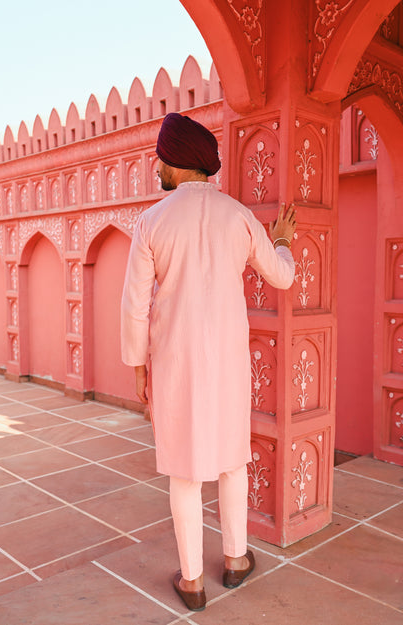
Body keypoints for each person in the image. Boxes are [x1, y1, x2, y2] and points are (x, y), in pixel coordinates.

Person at [121, 112, 296, 612]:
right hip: (227, 363)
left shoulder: (152, 221)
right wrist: (282, 237)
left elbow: (134, 303)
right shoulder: (237, 215)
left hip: (175, 363)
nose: (156, 164)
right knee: (231, 460)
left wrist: (139, 366)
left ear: (176, 162)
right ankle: (237, 560)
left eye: (160, 157)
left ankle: (193, 582)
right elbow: (281, 277)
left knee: (185, 471)